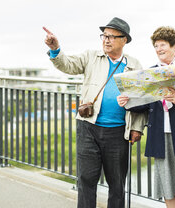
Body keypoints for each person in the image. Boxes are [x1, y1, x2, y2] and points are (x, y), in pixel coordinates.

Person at [43, 17, 146, 208]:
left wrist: (137, 128)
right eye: (104, 35)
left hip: (118, 132)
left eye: (112, 36)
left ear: (124, 40)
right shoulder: (91, 56)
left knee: (117, 184)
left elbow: (141, 100)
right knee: (86, 180)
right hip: (88, 127)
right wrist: (56, 49)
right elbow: (68, 65)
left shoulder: (134, 65)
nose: (106, 40)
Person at [117, 26, 175, 208]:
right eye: (156, 46)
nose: (159, 49)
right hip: (161, 134)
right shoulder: (150, 72)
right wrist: (127, 101)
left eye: (163, 45)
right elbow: (146, 103)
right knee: (168, 185)